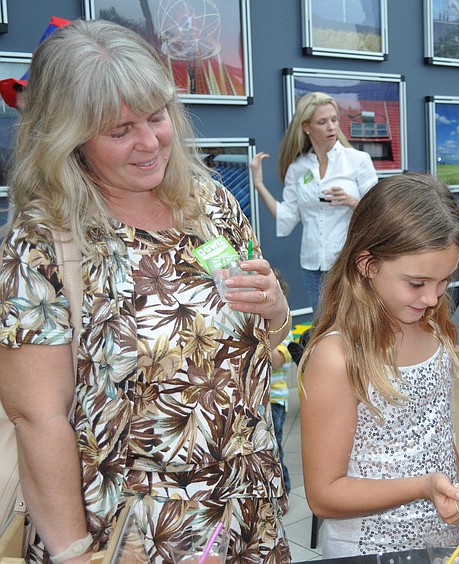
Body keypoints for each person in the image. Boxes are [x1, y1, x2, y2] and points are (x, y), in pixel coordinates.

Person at [0, 20, 291, 563]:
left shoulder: (206, 202)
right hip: (131, 536)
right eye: (119, 130)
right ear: (69, 135)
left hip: (248, 512)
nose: (149, 141)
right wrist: (72, 552)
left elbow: (261, 337)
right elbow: (37, 416)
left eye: (157, 117)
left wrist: (274, 308)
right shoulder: (44, 243)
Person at [298, 173, 459, 558]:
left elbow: (438, 442)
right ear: (367, 264)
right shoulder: (338, 358)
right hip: (371, 550)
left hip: (440, 541)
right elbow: (324, 495)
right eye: (417, 283)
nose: (433, 298)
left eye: (445, 281)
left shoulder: (434, 327)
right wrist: (422, 486)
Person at [250, 92, 378, 313]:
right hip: (312, 266)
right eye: (322, 122)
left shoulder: (357, 160)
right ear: (307, 127)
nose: (331, 127)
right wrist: (259, 185)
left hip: (348, 262)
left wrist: (351, 201)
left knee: (354, 324)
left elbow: (380, 212)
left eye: (334, 120)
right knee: (322, 327)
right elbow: (287, 219)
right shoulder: (298, 168)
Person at [269, 269, 294, 495]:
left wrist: (259, 337)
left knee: (275, 448)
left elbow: (277, 360)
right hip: (256, 402)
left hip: (275, 402)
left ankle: (283, 487)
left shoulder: (285, 332)